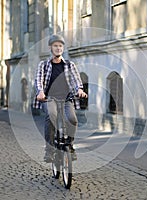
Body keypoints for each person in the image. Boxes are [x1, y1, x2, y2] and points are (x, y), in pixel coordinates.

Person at [34, 34, 87, 162]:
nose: (58, 48)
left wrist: (79, 89)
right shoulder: (44, 65)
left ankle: (70, 145)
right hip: (49, 98)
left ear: (63, 48)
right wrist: (40, 92)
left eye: (60, 46)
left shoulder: (70, 65)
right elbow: (38, 80)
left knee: (72, 119)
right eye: (55, 46)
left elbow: (76, 80)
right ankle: (50, 149)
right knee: (52, 116)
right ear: (50, 48)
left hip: (66, 99)